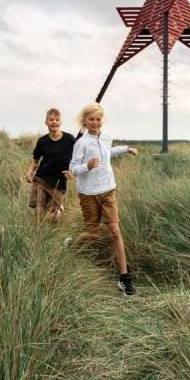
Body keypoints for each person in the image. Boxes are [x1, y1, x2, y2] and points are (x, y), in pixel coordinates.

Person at [67, 102, 138, 296]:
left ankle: (124, 278)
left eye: (98, 119)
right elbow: (73, 168)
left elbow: (108, 152)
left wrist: (126, 149)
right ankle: (72, 245)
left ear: (102, 120)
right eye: (91, 119)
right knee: (94, 234)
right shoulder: (81, 143)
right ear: (85, 121)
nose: (95, 122)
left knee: (114, 230)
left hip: (108, 190)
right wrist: (87, 166)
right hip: (88, 194)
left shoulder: (106, 138)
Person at [26, 108, 75, 222]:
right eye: (51, 120)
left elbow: (78, 157)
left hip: (59, 183)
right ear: (46, 122)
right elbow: (35, 160)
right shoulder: (42, 141)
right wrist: (30, 172)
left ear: (61, 122)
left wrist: (73, 172)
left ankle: (59, 208)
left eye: (57, 120)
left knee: (50, 218)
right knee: (39, 210)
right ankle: (37, 232)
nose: (54, 122)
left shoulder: (70, 139)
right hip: (41, 179)